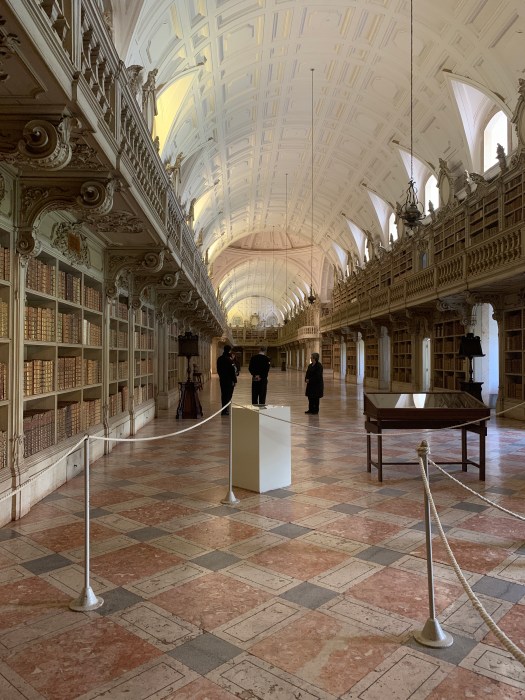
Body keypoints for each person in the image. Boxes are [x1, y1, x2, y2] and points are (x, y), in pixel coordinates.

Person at [216, 344, 237, 416]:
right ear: (229, 351)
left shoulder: (219, 359)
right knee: (228, 395)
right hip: (229, 380)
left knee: (223, 394)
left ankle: (224, 409)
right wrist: (235, 380)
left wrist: (221, 376)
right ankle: (225, 410)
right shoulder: (229, 359)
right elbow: (232, 371)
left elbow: (218, 370)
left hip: (222, 379)